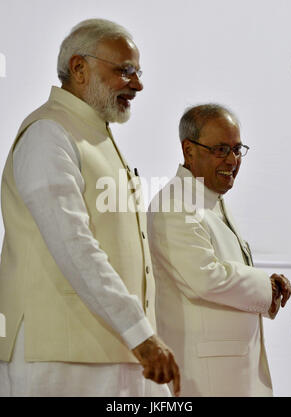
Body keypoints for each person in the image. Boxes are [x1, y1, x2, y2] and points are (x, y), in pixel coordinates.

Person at [0, 18, 180, 397]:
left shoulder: (92, 135)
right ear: (79, 68)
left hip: (116, 353)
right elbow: (73, 245)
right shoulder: (49, 133)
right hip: (56, 358)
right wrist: (140, 333)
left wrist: (142, 336)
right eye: (125, 70)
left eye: (139, 72)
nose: (138, 84)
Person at [147, 104, 291, 397]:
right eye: (221, 150)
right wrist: (266, 287)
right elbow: (205, 277)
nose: (233, 160)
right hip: (206, 381)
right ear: (189, 150)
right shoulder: (175, 204)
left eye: (238, 149)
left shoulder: (208, 197)